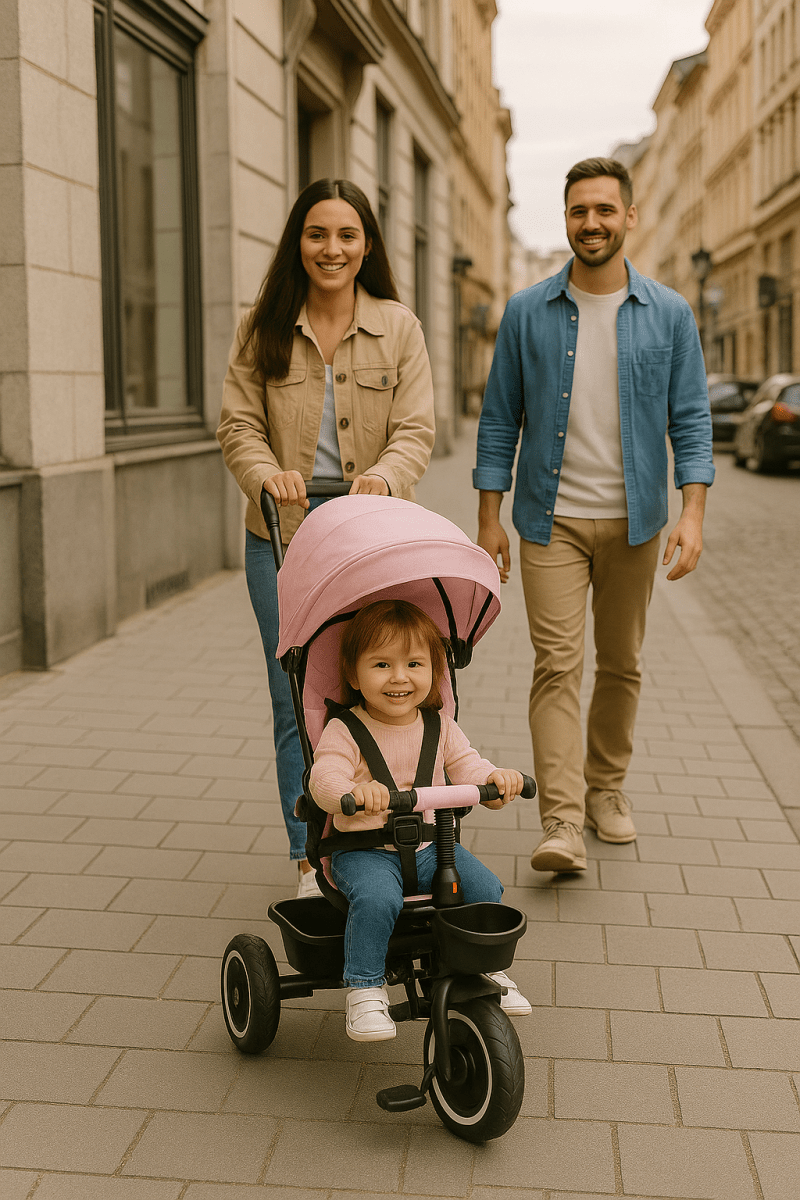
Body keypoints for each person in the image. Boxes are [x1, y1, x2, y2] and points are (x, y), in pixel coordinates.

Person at [474, 157, 714, 874]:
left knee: (622, 665)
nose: (592, 223)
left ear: (629, 217)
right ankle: (562, 821)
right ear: (567, 218)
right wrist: (489, 517)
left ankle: (608, 789)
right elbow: (497, 421)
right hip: (550, 520)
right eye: (580, 211)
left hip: (637, 521)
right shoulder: (526, 312)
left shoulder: (669, 312)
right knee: (556, 666)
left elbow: (691, 420)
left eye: (605, 210)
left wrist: (691, 513)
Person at [217, 180, 436, 898]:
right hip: (281, 536)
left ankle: (384, 833)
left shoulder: (399, 326)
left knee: (376, 682)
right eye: (317, 234)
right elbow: (238, 424)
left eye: (346, 235)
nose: (331, 248)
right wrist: (264, 476)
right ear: (298, 243)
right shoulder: (263, 325)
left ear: (366, 244)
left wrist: (384, 476)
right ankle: (309, 854)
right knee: (295, 697)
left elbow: (415, 429)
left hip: (370, 535)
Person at [309, 599, 532, 1041]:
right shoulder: (344, 730)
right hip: (363, 850)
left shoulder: (440, 726)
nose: (399, 677)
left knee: (485, 888)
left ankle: (482, 969)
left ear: (435, 673)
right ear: (353, 675)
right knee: (377, 899)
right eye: (381, 664)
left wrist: (493, 780)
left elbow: (467, 764)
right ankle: (364, 987)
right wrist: (352, 793)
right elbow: (323, 777)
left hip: (432, 848)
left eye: (414, 663)